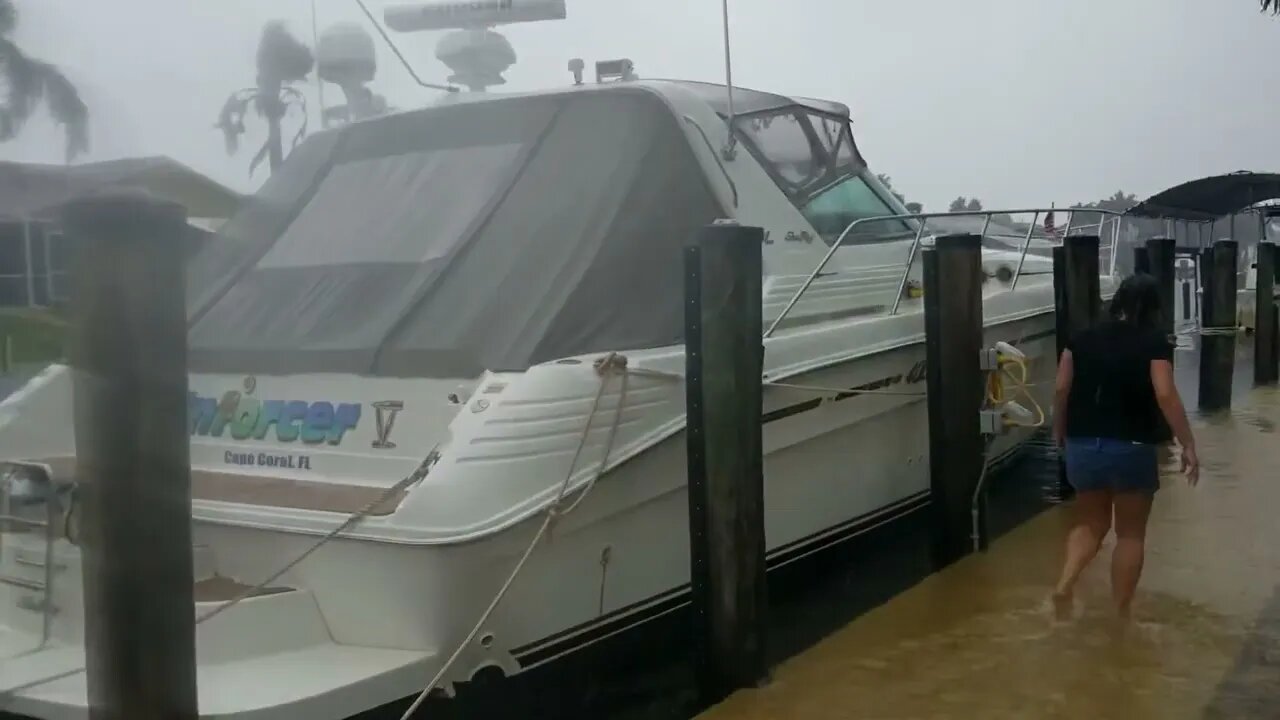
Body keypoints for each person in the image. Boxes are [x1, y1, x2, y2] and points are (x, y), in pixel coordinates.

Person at [1050, 273, 1199, 620]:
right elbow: (1165, 394)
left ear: (1116, 301)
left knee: (1090, 524)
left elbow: (1061, 389)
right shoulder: (1153, 342)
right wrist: (1187, 443)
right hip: (1131, 447)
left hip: (1082, 444)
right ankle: (1120, 616)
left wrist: (1060, 431)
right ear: (1153, 308)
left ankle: (1064, 584)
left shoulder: (1081, 338)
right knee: (1130, 534)